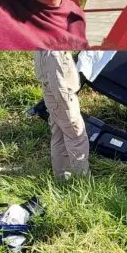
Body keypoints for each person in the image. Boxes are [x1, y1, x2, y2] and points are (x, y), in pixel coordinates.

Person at [33, 51, 90, 179]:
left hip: (52, 98)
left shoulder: (42, 47)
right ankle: (83, 179)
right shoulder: (54, 53)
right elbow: (57, 83)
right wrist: (67, 105)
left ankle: (62, 177)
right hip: (62, 99)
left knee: (59, 136)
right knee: (77, 138)